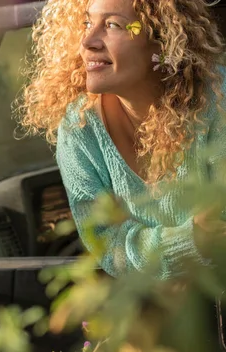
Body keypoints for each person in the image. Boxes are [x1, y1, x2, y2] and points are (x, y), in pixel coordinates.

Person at [18, 0, 226, 279]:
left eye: (112, 25)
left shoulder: (218, 102)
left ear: (163, 40)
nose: (88, 41)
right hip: (156, 314)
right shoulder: (79, 127)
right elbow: (107, 245)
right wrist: (190, 241)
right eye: (87, 23)